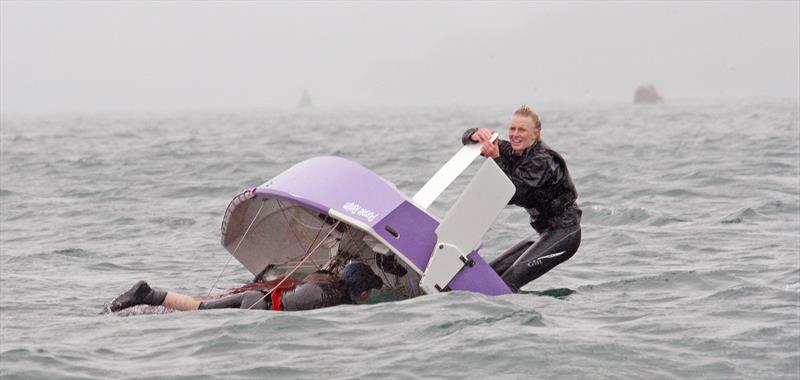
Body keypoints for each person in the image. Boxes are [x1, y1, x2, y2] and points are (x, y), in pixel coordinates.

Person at [462, 105, 582, 292]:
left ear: (535, 134)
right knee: (489, 274)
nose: (515, 134)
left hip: (565, 233)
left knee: (506, 283)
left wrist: (495, 159)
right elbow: (469, 140)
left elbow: (511, 192)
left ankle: (509, 320)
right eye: (512, 129)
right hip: (545, 233)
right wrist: (474, 134)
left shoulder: (542, 161)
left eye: (522, 130)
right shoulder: (514, 151)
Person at [107, 262, 384, 313]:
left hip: (254, 299)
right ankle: (146, 296)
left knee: (197, 307)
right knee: (197, 310)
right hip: (254, 307)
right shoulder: (340, 302)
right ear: (361, 289)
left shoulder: (323, 281)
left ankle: (148, 296)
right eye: (368, 290)